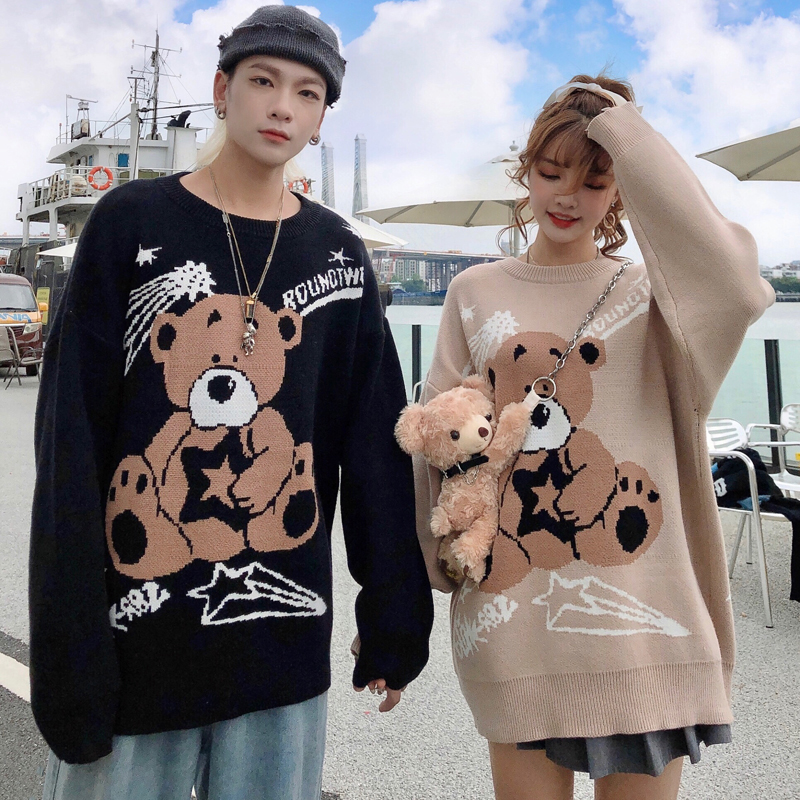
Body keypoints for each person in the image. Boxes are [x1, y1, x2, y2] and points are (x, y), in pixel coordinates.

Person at [30, 6, 433, 799]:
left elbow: (372, 446)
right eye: (262, 81)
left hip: (279, 647)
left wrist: (395, 614)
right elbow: (70, 441)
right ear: (223, 90)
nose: (283, 106)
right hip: (133, 643)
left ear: (322, 117)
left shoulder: (338, 254)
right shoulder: (128, 223)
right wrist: (68, 646)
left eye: (308, 93)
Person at [413, 75, 774, 800]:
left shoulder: (658, 299)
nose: (568, 196)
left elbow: (739, 287)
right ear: (525, 172)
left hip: (647, 630)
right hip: (514, 627)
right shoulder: (473, 291)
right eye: (551, 173)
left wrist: (632, 139)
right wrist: (436, 567)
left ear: (624, 191)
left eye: (597, 180)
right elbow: (433, 444)